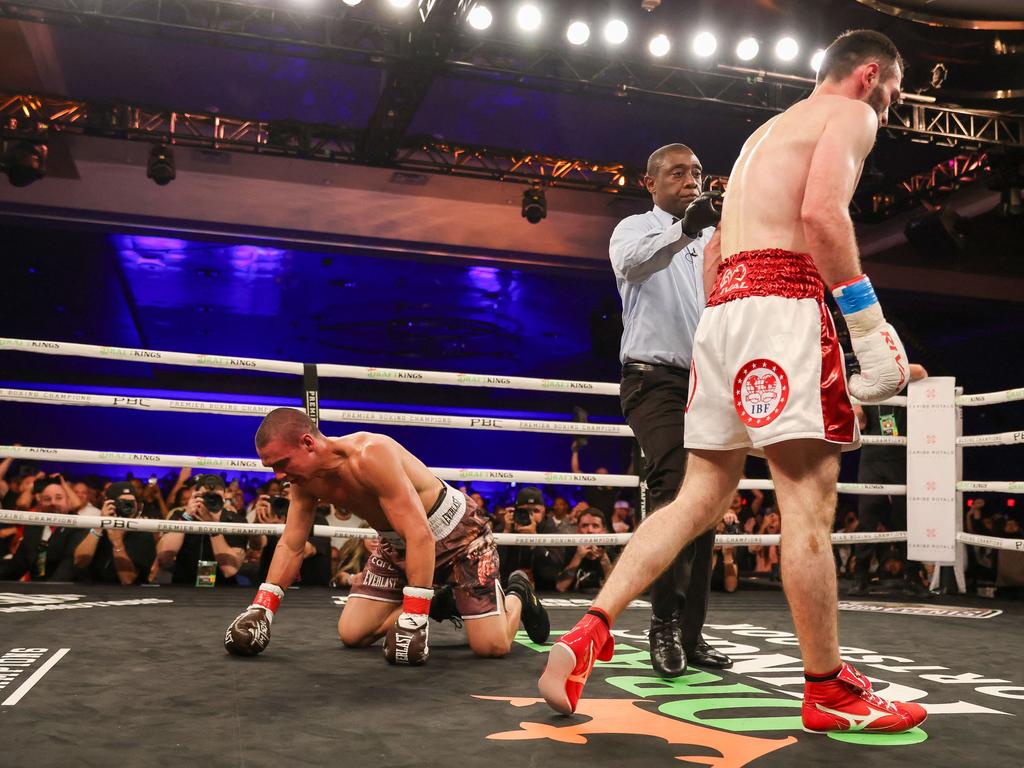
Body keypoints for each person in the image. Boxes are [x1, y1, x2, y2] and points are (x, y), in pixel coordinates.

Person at [539, 29, 928, 735]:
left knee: (697, 498)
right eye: (895, 91)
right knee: (807, 501)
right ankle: (827, 691)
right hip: (780, 305)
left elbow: (717, 254)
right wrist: (869, 335)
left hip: (722, 318)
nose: (893, 108)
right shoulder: (851, 114)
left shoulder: (764, 135)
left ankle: (588, 632)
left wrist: (767, 334)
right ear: (869, 74)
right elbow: (820, 216)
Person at [224, 409, 550, 665]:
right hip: (396, 543)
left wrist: (414, 614)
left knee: (491, 647)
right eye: (272, 468)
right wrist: (262, 608)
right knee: (353, 634)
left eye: (281, 463)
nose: (278, 475)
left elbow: (420, 533)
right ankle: (443, 600)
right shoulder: (303, 482)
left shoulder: (370, 454)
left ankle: (517, 592)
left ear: (308, 443)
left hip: (457, 534)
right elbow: (292, 543)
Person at [608, 140, 731, 678]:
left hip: (705, 384)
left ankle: (691, 632)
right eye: (678, 173)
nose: (690, 180)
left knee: (706, 504)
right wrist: (686, 228)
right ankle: (662, 624)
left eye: (697, 172)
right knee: (676, 486)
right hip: (652, 382)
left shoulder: (716, 243)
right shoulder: (634, 228)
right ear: (650, 183)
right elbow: (634, 266)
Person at [848, 363, 932, 596]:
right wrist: (855, 401)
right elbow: (861, 424)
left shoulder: (899, 381)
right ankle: (861, 576)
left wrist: (886, 367)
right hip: (872, 459)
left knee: (905, 520)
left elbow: (921, 371)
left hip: (900, 458)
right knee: (867, 520)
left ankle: (913, 576)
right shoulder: (864, 388)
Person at [156, 474, 247, 585]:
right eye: (207, 496)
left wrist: (213, 527)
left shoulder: (234, 520)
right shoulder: (180, 516)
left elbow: (230, 570)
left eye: (216, 497)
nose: (211, 501)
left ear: (224, 498)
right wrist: (187, 517)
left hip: (222, 589)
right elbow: (164, 558)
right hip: (183, 586)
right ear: (196, 496)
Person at [72, 481, 156, 584]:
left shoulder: (144, 535)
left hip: (128, 595)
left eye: (131, 503)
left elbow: (128, 580)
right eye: (123, 502)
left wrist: (117, 543)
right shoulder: (97, 528)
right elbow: (79, 562)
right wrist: (99, 526)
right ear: (109, 504)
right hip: (95, 590)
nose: (127, 507)